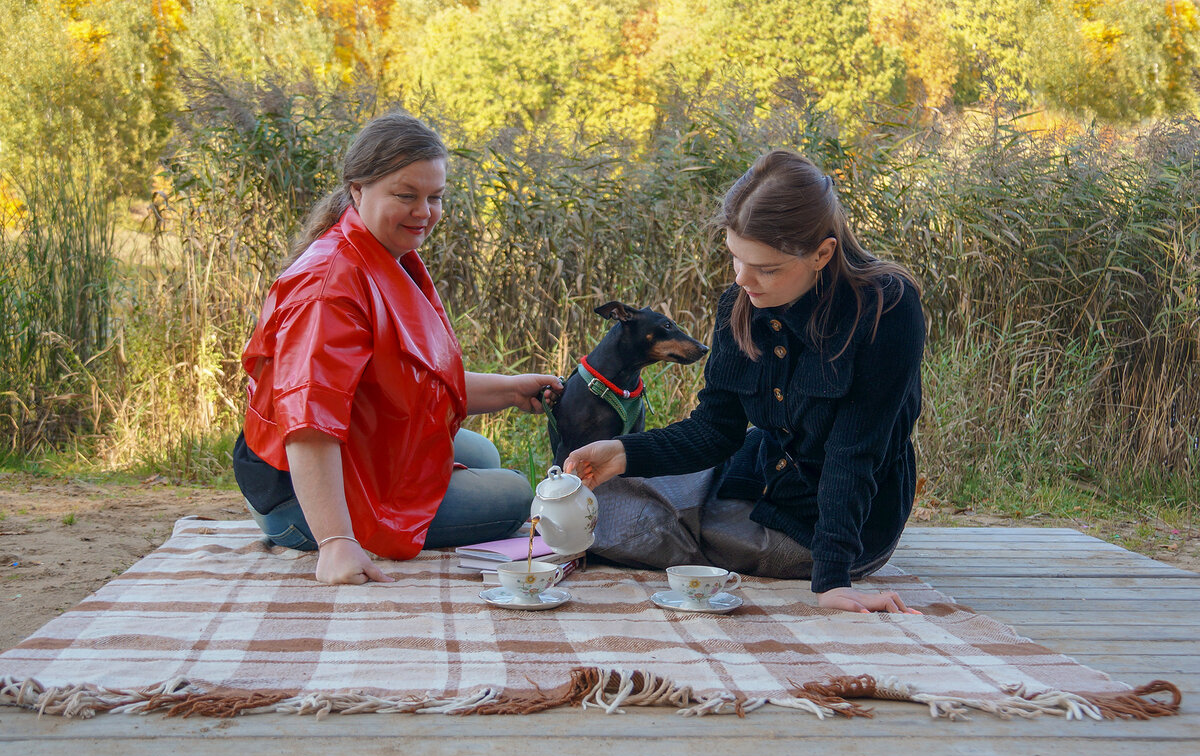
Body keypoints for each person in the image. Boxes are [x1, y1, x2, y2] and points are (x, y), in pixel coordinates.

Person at [564, 150, 924, 614]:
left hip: (829, 525)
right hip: (755, 474)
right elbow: (715, 430)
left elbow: (855, 453)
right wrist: (622, 453)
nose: (743, 279)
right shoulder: (739, 302)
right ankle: (684, 524)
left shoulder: (886, 307)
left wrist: (834, 580)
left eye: (767, 268)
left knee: (621, 524)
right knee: (597, 497)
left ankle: (690, 532)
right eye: (735, 257)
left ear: (822, 253)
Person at [233, 112, 562, 585]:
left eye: (435, 197)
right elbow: (308, 424)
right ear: (357, 190)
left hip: (357, 446)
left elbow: (406, 384)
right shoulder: (328, 289)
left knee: (484, 453)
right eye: (406, 196)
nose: (423, 212)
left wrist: (511, 391)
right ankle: (322, 528)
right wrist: (336, 542)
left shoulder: (380, 252)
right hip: (291, 494)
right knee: (513, 494)